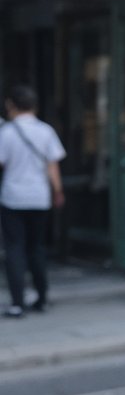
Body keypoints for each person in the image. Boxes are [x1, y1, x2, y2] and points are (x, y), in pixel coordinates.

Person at [0, 84, 65, 318]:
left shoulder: (6, 133)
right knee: (36, 248)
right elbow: (53, 166)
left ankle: (18, 302)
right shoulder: (46, 131)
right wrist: (57, 191)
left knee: (15, 249)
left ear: (11, 105)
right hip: (39, 197)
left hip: (13, 197)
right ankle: (42, 298)